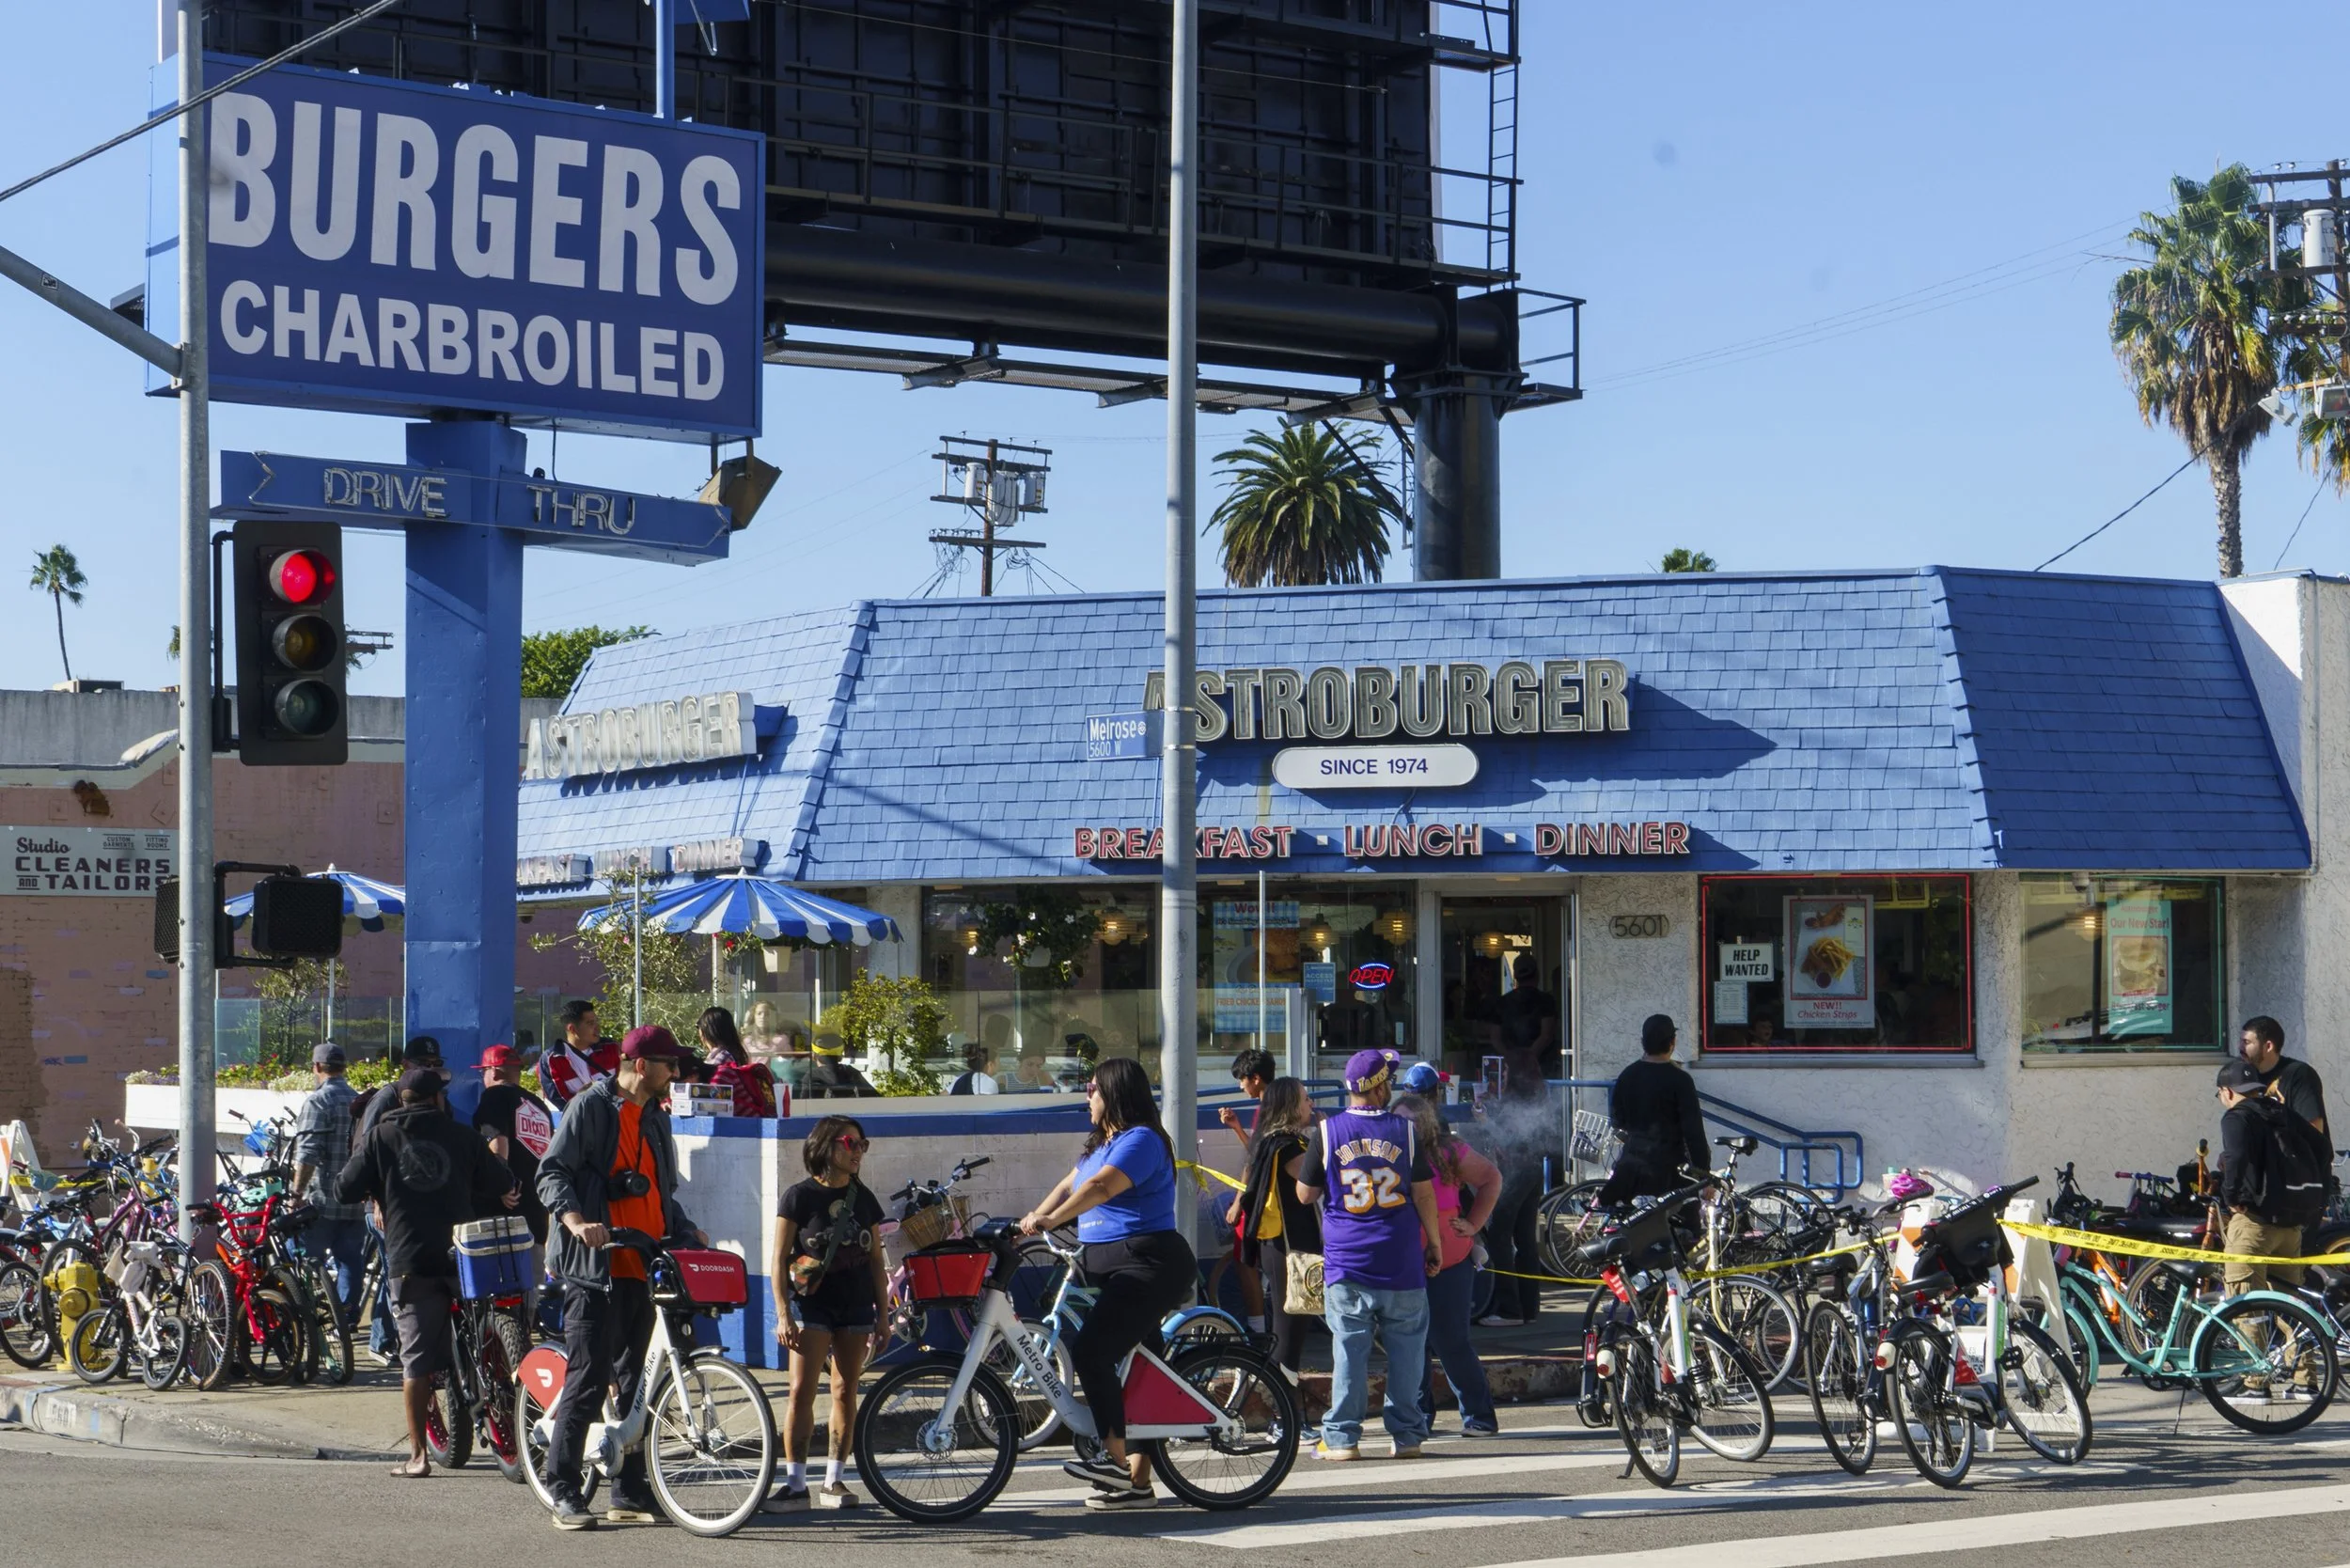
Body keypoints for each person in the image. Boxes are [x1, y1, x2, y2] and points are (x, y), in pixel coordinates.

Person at [537, 1026, 707, 1530]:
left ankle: (629, 1492)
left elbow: (658, 1187)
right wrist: (574, 1223)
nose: (674, 1072)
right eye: (667, 1064)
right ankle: (563, 1488)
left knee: (639, 1381)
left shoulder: (655, 1117)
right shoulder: (590, 1108)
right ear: (638, 1064)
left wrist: (682, 1224)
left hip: (645, 1263)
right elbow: (551, 1173)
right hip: (598, 1266)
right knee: (589, 1377)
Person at [1019, 1058, 1194, 1512]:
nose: (1087, 1095)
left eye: (1093, 1087)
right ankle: (1136, 1484)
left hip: (1148, 1262)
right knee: (1140, 1368)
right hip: (1111, 1265)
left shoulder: (1140, 1140)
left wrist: (1053, 1220)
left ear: (1114, 1092)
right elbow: (1069, 1183)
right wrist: (1030, 1220)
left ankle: (1112, 1460)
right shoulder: (1103, 1142)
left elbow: (1099, 1188)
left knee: (1092, 1351)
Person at [337, 1065, 519, 1479]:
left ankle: (418, 1456)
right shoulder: (462, 1135)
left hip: (410, 1260)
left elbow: (343, 1189)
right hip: (463, 1256)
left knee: (415, 1361)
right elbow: (500, 1179)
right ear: (438, 1099)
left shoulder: (380, 1136)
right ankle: (498, 1397)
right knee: (480, 1332)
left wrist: (378, 1187)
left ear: (401, 1099)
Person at [1294, 1048, 1444, 1462]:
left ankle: (1343, 1438)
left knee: (1348, 1350)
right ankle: (1408, 1435)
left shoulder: (1326, 1133)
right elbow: (1424, 1193)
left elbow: (1305, 1193)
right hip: (1399, 1257)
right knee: (1407, 1351)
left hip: (1347, 1259)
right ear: (1380, 1087)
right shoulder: (1406, 1131)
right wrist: (1434, 1242)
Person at [771, 1115, 888, 1510]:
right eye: (849, 1143)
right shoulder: (798, 1197)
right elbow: (778, 1259)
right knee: (801, 1391)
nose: (857, 1151)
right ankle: (795, 1484)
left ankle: (834, 1480)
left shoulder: (865, 1198)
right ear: (825, 1146)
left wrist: (884, 1314)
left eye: (861, 1144)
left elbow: (875, 1260)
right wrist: (783, 1311)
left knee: (845, 1391)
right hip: (812, 1305)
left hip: (855, 1305)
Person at [1394, 1091, 1502, 1437]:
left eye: (1410, 1121)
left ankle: (1479, 1415)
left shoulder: (1448, 1151)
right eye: (1398, 1120)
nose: (1404, 1127)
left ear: (1425, 1123)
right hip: (1402, 1263)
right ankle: (1419, 1418)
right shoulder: (1384, 1155)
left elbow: (1490, 1178)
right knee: (1411, 1344)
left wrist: (1473, 1223)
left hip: (1451, 1261)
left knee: (1451, 1341)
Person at [2216, 1058, 2327, 1297]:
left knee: (2244, 1306)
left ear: (2227, 1092)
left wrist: (2230, 1197)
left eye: (2219, 1095)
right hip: (2290, 1226)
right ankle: (2300, 1337)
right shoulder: (2282, 1112)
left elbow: (2236, 1156)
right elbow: (2323, 1148)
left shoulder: (2237, 1117)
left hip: (2254, 1223)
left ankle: (2250, 1338)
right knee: (2288, 1307)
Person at [1230, 1076, 1321, 1372]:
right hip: (1288, 1245)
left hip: (1288, 1244)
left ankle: (1285, 1400)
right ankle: (1282, 1401)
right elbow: (1320, 1182)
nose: (1311, 1103)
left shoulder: (1278, 1140)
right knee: (1290, 1328)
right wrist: (1326, 1134)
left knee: (1297, 1322)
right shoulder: (1287, 1147)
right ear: (1290, 1106)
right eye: (1305, 1098)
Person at [289, 1043, 367, 1332]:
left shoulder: (317, 1102)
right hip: (355, 1199)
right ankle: (345, 1318)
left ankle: (307, 1317)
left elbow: (307, 1153)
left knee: (303, 1256)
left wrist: (296, 1194)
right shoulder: (359, 1100)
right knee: (350, 1261)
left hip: (322, 1200)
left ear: (317, 1067)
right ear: (343, 1067)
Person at [472, 1043, 555, 1312]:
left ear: (494, 1072)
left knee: (502, 1294)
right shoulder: (538, 1105)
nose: (483, 1077)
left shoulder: (494, 1097)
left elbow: (497, 1142)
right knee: (529, 1286)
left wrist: (503, 1184)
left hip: (507, 1207)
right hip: (536, 1206)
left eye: (483, 1071)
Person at [1598, 1014, 1709, 1206]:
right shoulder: (1680, 1080)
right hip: (1669, 1170)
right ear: (1672, 1042)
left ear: (1643, 1042)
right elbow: (1694, 1132)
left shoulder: (1627, 1075)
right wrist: (1703, 1173)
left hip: (1631, 1166)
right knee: (1684, 1230)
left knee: (1631, 1227)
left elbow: (1617, 1120)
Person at [1218, 1047, 1277, 1329]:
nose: (1241, 1085)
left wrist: (1239, 1200)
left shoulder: (1268, 1108)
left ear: (1255, 1078)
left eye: (1242, 1079)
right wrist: (1236, 1127)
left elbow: (1254, 1160)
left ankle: (1257, 1330)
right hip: (1274, 1195)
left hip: (1263, 1197)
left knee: (1244, 1260)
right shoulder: (1277, 1105)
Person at [2241, 1015, 2331, 1143]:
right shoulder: (2246, 1076)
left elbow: (2313, 1131)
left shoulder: (2299, 1074)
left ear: (2268, 1046)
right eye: (2241, 1041)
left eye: (2246, 1042)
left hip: (2297, 1161)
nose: (2241, 1048)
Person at [699, 1006, 778, 1117]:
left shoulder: (722, 1058)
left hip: (736, 1121)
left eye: (698, 1026)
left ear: (706, 1030)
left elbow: (707, 1096)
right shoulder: (734, 1053)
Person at [1494, 954, 1561, 1079]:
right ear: (1537, 974)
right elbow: (1546, 1035)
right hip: (1541, 1066)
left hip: (1513, 1066)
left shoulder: (1502, 1002)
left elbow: (1495, 1038)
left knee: (1512, 1097)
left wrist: (1512, 1059)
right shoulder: (1546, 1000)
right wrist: (1529, 1058)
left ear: (1515, 976)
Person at [541, 999, 617, 1110]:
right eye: (590, 1023)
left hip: (617, 1121)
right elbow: (559, 1101)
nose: (597, 1027)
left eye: (596, 1021)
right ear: (572, 1029)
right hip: (582, 1122)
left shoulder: (612, 1048)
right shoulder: (552, 1059)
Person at [802, 1031, 881, 1098]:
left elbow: (802, 1107)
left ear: (814, 1056)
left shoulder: (811, 1076)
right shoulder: (852, 1073)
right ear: (840, 1057)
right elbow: (876, 1100)